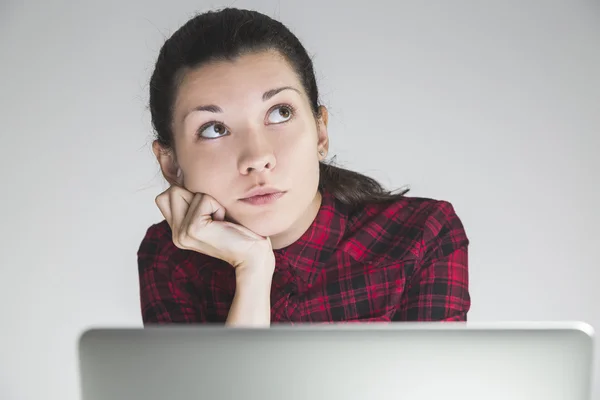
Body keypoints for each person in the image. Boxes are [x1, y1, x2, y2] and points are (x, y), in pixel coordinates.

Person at [137, 7, 470, 327]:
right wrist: (253, 269)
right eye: (214, 129)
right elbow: (215, 390)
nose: (257, 157)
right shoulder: (170, 258)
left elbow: (432, 387)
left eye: (280, 112)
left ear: (320, 132)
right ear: (171, 163)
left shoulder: (421, 236)